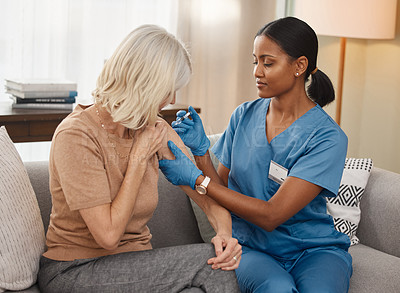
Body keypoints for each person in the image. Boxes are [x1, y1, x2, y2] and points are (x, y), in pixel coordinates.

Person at [37, 24, 241, 293]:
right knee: (209, 264)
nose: (172, 100)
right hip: (75, 270)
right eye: (169, 90)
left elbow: (209, 203)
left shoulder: (152, 128)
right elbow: (108, 236)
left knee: (220, 261)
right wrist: (138, 159)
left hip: (135, 263)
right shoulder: (76, 135)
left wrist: (225, 235)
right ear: (148, 84)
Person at [158, 17, 352, 293]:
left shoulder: (327, 137)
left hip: (315, 250)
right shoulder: (244, 115)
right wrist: (201, 153)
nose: (257, 72)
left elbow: (272, 216)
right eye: (255, 61)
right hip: (250, 247)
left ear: (300, 66)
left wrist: (198, 179)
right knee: (277, 289)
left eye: (268, 63)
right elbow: (222, 190)